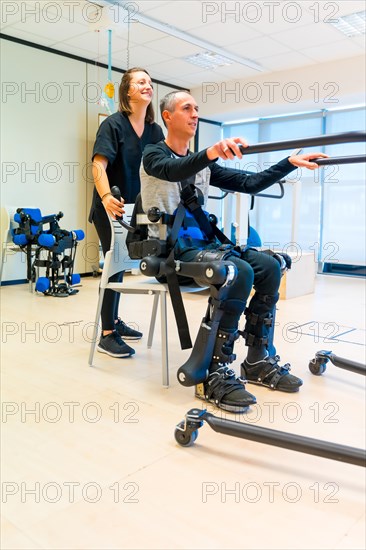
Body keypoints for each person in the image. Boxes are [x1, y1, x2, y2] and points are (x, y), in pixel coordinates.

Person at [140, 90, 327, 413]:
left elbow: (250, 182)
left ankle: (257, 361)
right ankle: (212, 372)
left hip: (207, 246)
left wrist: (288, 164)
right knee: (238, 272)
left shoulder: (204, 164)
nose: (195, 114)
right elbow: (173, 170)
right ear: (167, 116)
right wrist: (211, 153)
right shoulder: (153, 155)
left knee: (268, 265)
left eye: (197, 109)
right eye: (187, 108)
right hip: (173, 251)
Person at [89, 68, 165, 358]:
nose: (148, 85)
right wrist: (106, 196)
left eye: (149, 81)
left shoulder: (155, 131)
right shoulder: (113, 125)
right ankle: (107, 334)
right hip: (110, 207)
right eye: (141, 82)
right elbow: (99, 165)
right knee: (115, 265)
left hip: (137, 210)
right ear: (127, 91)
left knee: (124, 266)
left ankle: (115, 322)